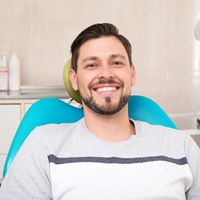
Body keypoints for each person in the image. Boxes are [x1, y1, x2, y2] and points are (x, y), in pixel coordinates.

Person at [0, 23, 200, 199]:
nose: (106, 74)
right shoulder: (43, 145)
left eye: (116, 63)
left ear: (132, 74)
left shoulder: (179, 145)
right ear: (74, 80)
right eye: (92, 65)